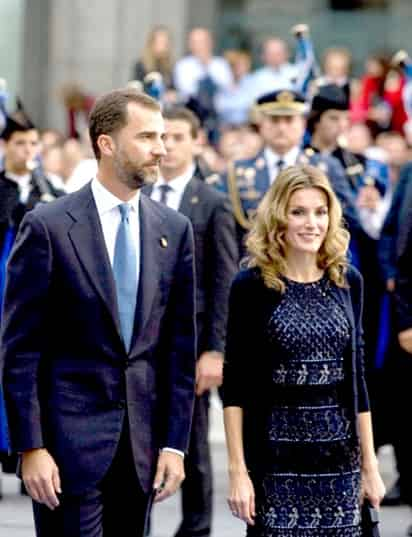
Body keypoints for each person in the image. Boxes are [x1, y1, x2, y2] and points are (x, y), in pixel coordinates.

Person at [0, 88, 196, 536]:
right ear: (106, 143)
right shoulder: (48, 226)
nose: (161, 149)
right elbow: (20, 349)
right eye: (147, 137)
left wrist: (174, 445)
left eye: (163, 137)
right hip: (65, 453)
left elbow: (178, 351)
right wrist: (30, 447)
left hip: (143, 451)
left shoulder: (174, 230)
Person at [222, 164, 385, 536]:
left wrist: (370, 467)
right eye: (299, 212)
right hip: (275, 465)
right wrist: (238, 470)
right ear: (279, 216)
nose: (312, 223)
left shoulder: (347, 281)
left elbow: (358, 381)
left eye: (320, 212)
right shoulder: (251, 286)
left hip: (341, 462)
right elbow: (236, 385)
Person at [144, 105, 239, 537]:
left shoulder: (212, 201)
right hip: (145, 341)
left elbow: (223, 282)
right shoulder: (140, 194)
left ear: (197, 141)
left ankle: (196, 529)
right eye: (164, 136)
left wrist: (215, 349)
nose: (170, 146)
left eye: (180, 136)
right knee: (140, 441)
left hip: (194, 342)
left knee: (193, 445)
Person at [213, 89, 361, 257]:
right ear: (261, 124)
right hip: (253, 266)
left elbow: (347, 220)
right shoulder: (236, 172)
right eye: (274, 120)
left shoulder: (326, 167)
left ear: (303, 124)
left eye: (289, 120)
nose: (282, 128)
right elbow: (225, 232)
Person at [0, 108, 63, 497]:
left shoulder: (48, 187)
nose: (27, 150)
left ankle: (28, 451)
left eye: (33, 143)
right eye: (20, 143)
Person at [132, 25, 175, 90]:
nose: (163, 47)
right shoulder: (141, 65)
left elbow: (173, 88)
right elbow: (136, 87)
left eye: (165, 43)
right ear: (152, 43)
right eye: (160, 42)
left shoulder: (170, 66)